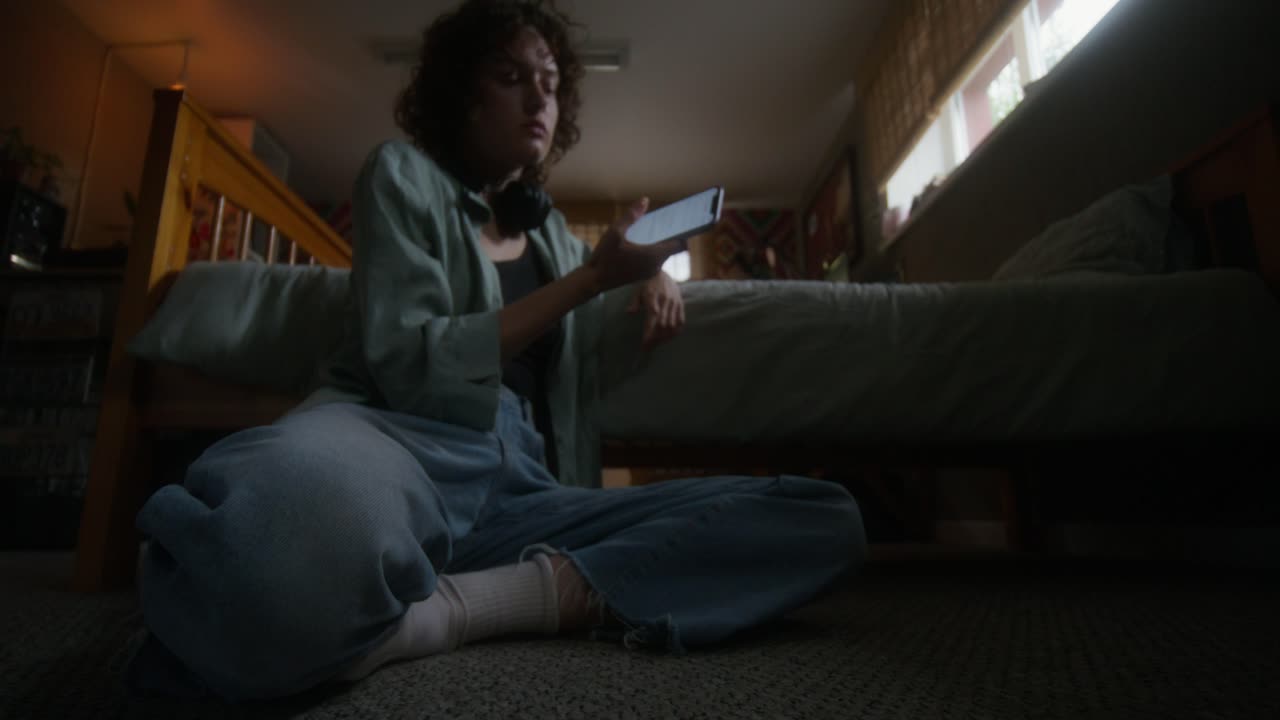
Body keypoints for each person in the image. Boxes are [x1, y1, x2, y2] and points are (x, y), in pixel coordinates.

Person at [126, 0, 867, 703]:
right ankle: (490, 589)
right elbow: (411, 361)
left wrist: (649, 286)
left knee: (822, 517)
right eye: (511, 78)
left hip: (528, 493)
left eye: (549, 85)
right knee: (266, 554)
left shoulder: (551, 238)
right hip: (404, 438)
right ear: (459, 95)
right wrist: (592, 279)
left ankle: (457, 609)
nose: (538, 100)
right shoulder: (401, 175)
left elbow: (589, 331)